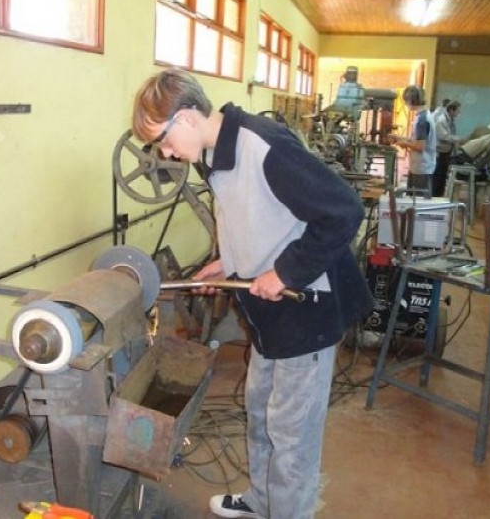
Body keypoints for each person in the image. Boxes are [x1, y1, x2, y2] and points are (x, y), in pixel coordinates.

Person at [131, 68, 373, 519]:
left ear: (186, 117)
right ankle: (263, 501)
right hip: (268, 313)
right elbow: (258, 215)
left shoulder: (264, 146)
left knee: (292, 434)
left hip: (306, 309)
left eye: (162, 139)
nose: (164, 152)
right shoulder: (213, 154)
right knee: (261, 412)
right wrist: (229, 260)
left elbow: (344, 212)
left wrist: (285, 272)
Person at [387, 85, 437, 198]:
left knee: (417, 200)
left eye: (406, 101)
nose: (406, 104)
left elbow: (420, 146)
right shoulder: (422, 116)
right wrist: (399, 138)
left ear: (410, 100)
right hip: (419, 165)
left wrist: (404, 144)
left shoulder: (422, 120)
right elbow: (416, 139)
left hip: (422, 166)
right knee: (412, 198)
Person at [432, 100, 465, 197]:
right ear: (451, 110)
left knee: (442, 177)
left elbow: (451, 135)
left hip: (446, 153)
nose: (459, 113)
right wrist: (459, 139)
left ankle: (439, 196)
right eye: (458, 110)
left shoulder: (450, 120)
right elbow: (444, 136)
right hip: (440, 153)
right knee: (437, 178)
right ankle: (435, 197)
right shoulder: (441, 120)